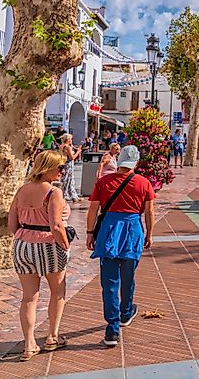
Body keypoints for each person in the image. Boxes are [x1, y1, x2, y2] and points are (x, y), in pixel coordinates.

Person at [86, 145, 156, 345]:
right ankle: (126, 312)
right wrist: (149, 234)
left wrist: (90, 233)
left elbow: (93, 210)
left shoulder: (103, 182)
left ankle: (112, 329)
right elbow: (149, 212)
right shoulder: (144, 183)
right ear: (135, 162)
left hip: (109, 230)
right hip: (132, 229)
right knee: (128, 276)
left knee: (109, 282)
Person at [8, 150, 71, 361]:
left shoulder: (21, 190)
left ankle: (29, 344)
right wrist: (65, 243)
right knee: (58, 291)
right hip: (48, 245)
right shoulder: (53, 192)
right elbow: (55, 225)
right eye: (59, 167)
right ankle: (52, 336)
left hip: (23, 245)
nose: (62, 171)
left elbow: (11, 225)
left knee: (28, 297)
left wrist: (25, 235)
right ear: (47, 168)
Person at [58, 134, 82, 202]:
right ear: (68, 140)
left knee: (66, 179)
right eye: (70, 139)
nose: (71, 140)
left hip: (64, 163)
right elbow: (72, 158)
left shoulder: (61, 146)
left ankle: (71, 195)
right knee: (69, 179)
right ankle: (68, 195)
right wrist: (78, 152)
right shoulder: (68, 147)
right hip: (69, 164)